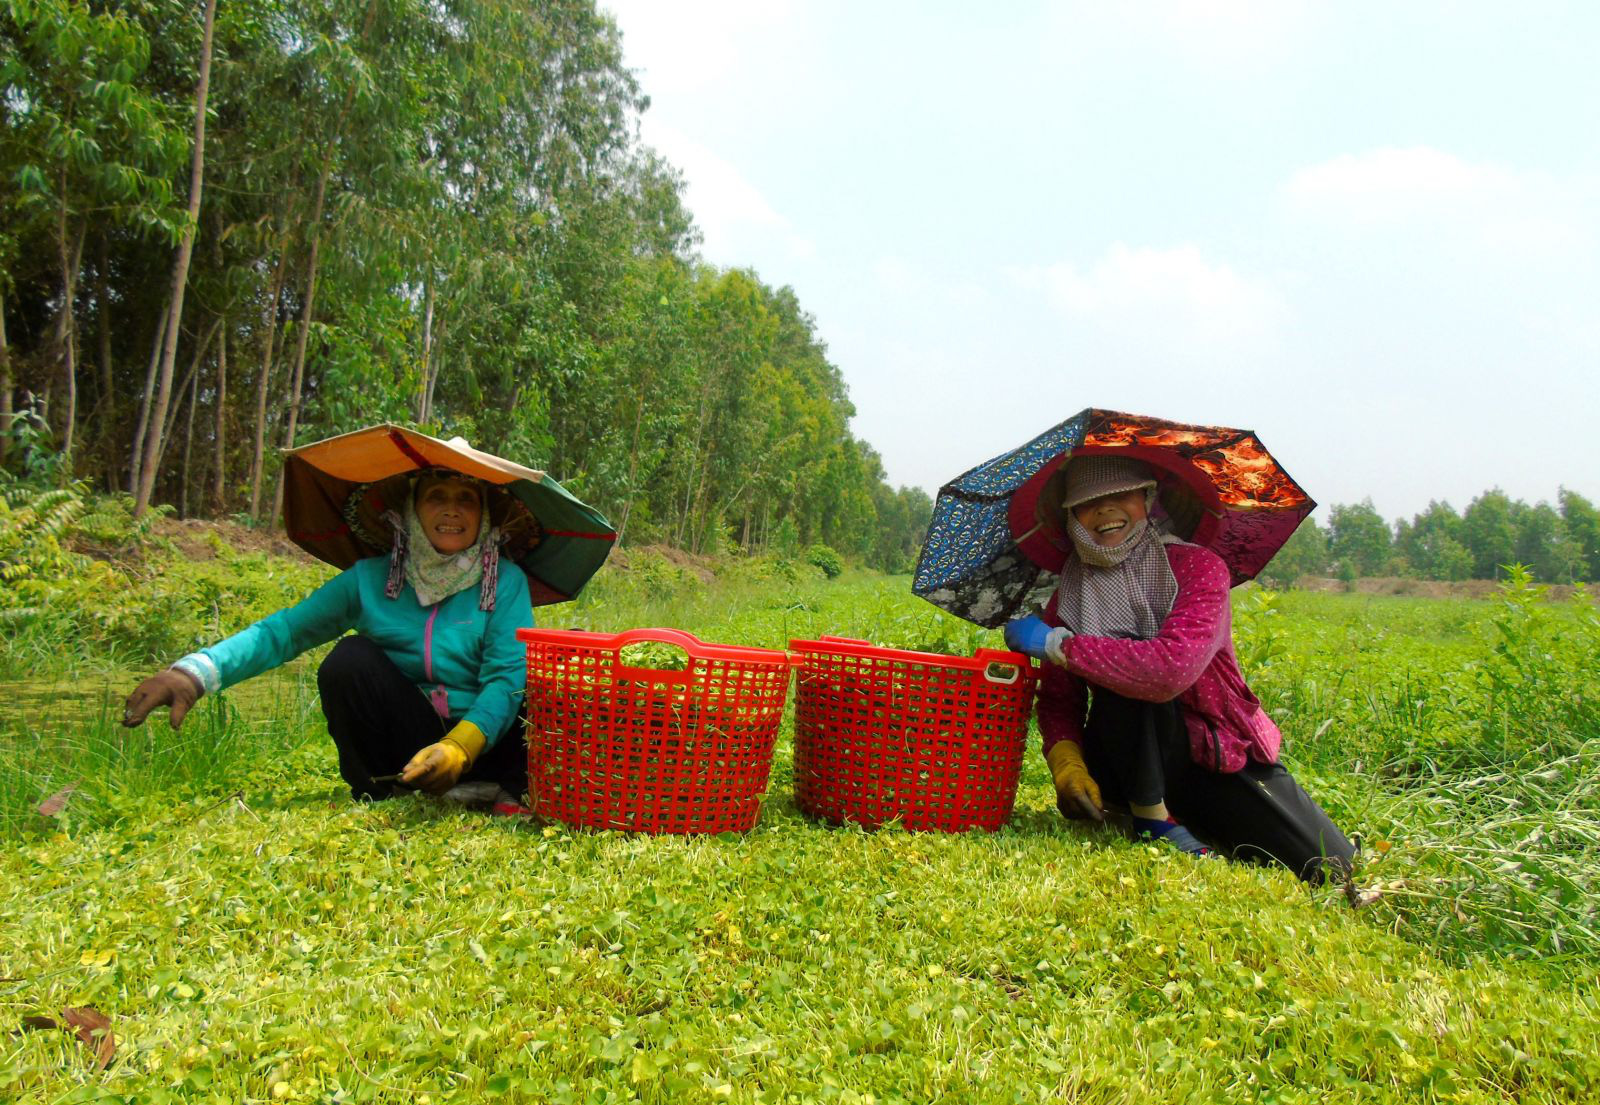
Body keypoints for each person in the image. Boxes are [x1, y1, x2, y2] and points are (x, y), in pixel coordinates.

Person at [1004, 455, 1354, 882]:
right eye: (1087, 503)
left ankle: (1182, 812)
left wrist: (1057, 644)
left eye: (1121, 495)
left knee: (1330, 866)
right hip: (1124, 757)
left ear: (1148, 499)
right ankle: (1150, 817)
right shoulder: (1071, 594)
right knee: (1121, 649)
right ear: (1072, 518)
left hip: (1213, 747)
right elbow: (1060, 699)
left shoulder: (1200, 568)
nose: (1105, 510)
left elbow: (1169, 670)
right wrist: (1066, 762)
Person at [122, 468, 534, 803]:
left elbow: (505, 679)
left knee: (542, 674)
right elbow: (282, 632)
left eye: (466, 499)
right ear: (410, 511)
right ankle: (385, 788)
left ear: (483, 517)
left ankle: (492, 786)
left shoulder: (505, 583)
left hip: (483, 743)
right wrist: (194, 674)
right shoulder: (368, 580)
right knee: (350, 659)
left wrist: (460, 747)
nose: (452, 510)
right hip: (411, 743)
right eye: (436, 496)